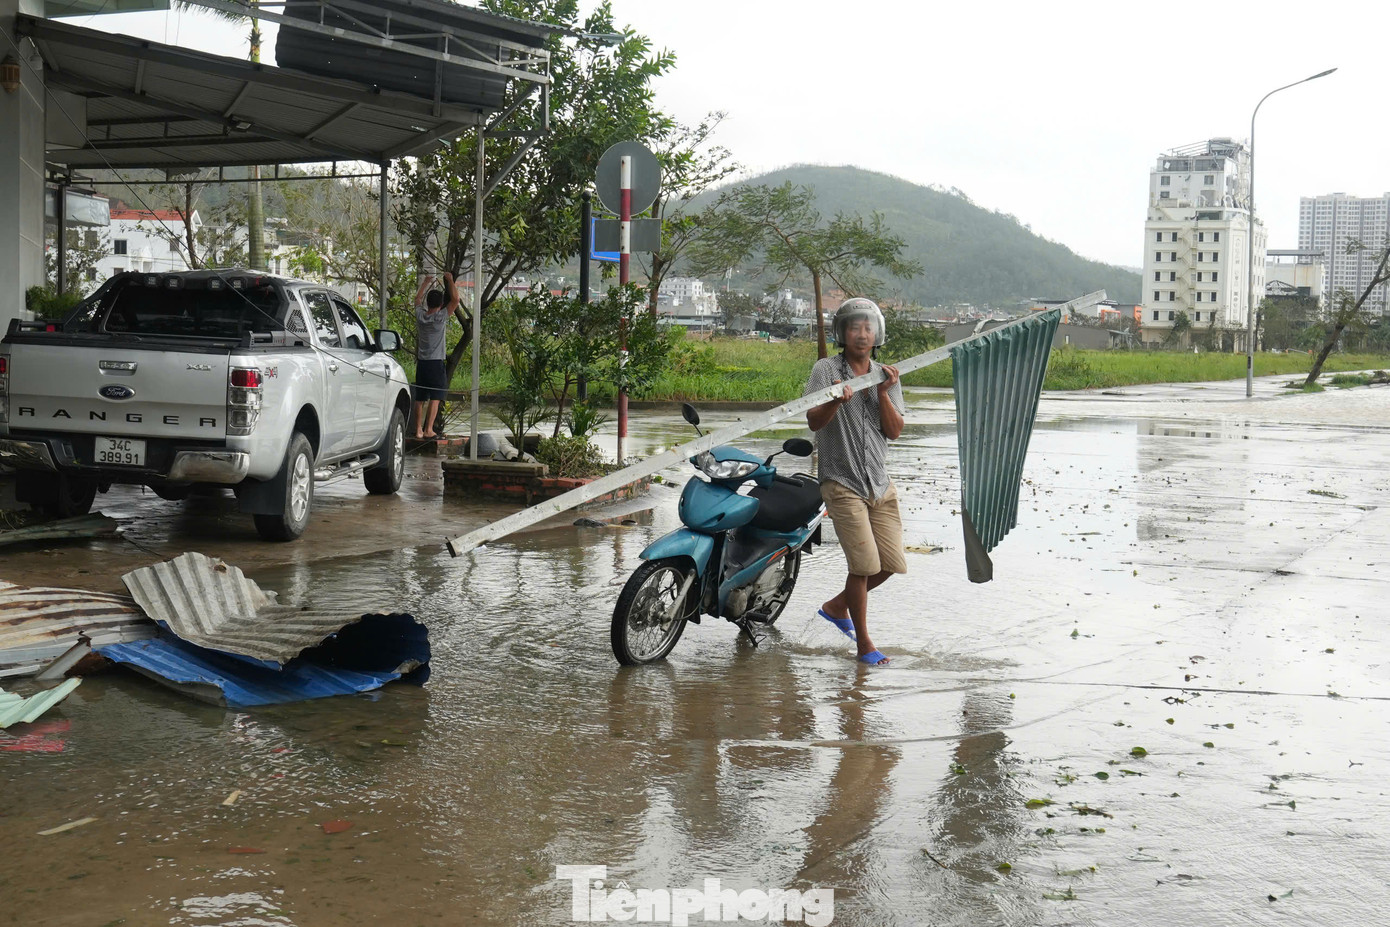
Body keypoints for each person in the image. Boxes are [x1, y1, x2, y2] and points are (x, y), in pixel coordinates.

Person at [803, 297, 905, 665]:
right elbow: (814, 421)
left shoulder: (887, 374)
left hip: (879, 482)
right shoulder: (825, 369)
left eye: (868, 328)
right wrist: (835, 400)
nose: (862, 334)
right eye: (854, 328)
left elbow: (894, 431)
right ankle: (865, 646)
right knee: (862, 566)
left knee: (890, 564)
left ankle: (836, 606)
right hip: (841, 481)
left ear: (877, 334)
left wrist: (881, 392)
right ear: (842, 334)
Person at [413, 272, 458, 440]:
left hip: (422, 363)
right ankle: (428, 429)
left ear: (428, 303)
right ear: (440, 304)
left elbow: (417, 300)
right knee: (436, 396)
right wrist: (450, 281)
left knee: (420, 398)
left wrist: (425, 282)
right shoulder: (440, 317)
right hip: (436, 363)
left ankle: (418, 430)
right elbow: (455, 301)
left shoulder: (420, 316)